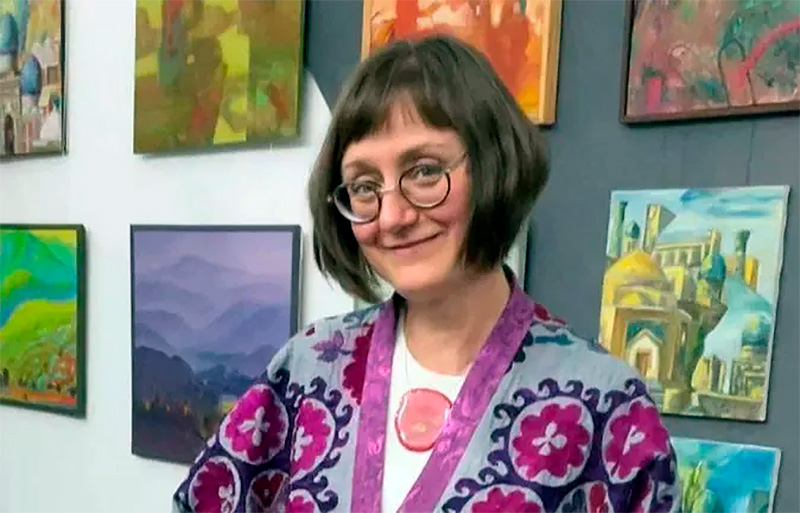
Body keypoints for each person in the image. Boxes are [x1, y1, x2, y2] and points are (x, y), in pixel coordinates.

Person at [172, 35, 680, 513]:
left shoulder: (605, 405)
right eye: (364, 186)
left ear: (494, 165)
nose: (392, 217)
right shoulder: (311, 367)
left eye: (424, 172)